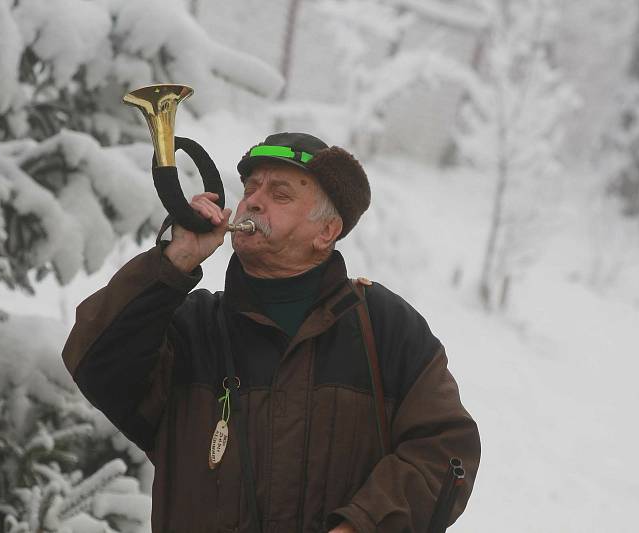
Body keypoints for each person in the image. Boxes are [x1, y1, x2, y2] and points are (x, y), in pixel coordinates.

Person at [61, 132, 480, 532]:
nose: (253, 204)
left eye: (280, 194)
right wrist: (177, 258)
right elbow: (93, 362)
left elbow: (444, 451)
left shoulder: (386, 326)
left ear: (326, 232)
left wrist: (362, 524)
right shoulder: (191, 324)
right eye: (251, 189)